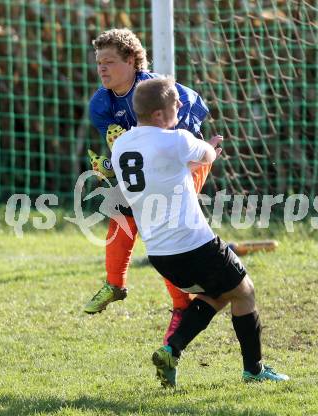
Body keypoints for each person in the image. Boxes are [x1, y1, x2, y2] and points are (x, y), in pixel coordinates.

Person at [111, 77, 289, 387]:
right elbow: (207, 155)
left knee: (217, 295)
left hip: (160, 255)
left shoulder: (122, 146)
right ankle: (255, 370)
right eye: (174, 104)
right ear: (158, 115)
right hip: (195, 245)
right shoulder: (176, 140)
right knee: (245, 292)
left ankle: (171, 349)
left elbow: (164, 172)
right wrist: (212, 148)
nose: (180, 106)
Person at [85, 28, 218, 345]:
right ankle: (116, 284)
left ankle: (180, 305)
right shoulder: (100, 104)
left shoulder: (159, 91)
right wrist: (109, 165)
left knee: (157, 229)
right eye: (99, 62)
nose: (102, 68)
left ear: (131, 60)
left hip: (185, 161)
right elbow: (126, 148)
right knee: (122, 209)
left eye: (110, 61)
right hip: (152, 168)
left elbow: (178, 142)